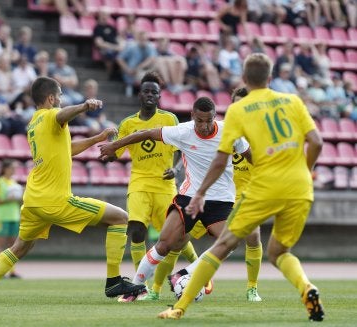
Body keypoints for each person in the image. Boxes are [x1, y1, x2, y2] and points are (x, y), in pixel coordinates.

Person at [156, 53, 324, 322]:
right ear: (270, 79)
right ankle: (307, 288)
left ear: (244, 79)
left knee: (222, 246)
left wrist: (199, 193)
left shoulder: (237, 111)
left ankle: (180, 307)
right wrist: (305, 172)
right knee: (279, 252)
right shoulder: (293, 101)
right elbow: (316, 142)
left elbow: (221, 160)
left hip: (264, 187)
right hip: (300, 187)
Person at [0, 76, 146, 303]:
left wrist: (97, 138)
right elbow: (61, 114)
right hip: (55, 201)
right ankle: (113, 281)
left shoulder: (34, 124)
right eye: (59, 96)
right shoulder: (52, 115)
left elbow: (66, 149)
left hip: (32, 201)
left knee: (19, 247)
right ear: (51, 98)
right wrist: (84, 106)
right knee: (120, 218)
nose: (60, 100)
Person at [99, 96, 260, 302]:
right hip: (189, 197)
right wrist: (115, 145)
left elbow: (250, 155)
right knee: (164, 245)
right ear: (192, 116)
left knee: (230, 241)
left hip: (220, 201)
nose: (204, 125)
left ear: (215, 117)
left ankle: (183, 275)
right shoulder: (183, 131)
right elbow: (145, 133)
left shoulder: (230, 131)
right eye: (199, 120)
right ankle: (136, 288)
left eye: (209, 120)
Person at [108, 72, 198, 302]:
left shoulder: (169, 119)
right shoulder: (128, 124)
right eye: (146, 91)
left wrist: (176, 170)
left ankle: (199, 273)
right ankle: (141, 287)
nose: (150, 95)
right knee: (137, 230)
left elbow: (183, 148)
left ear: (159, 96)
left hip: (165, 185)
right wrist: (108, 144)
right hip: (139, 182)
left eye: (154, 92)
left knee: (178, 237)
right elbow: (114, 155)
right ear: (140, 94)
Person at [0, 159, 22, 279]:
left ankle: (12, 271)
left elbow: (18, 199)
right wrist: (8, 199)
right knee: (1, 244)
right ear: (5, 169)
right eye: (11, 168)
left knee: (13, 245)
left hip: (14, 216)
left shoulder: (14, 182)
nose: (13, 170)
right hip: (3, 216)